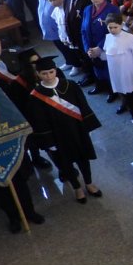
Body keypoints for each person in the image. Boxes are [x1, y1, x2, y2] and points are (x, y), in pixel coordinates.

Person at [28, 56, 102, 204]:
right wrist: (49, 141)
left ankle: (88, 183)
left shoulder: (70, 85)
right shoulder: (36, 95)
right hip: (57, 135)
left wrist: (87, 126)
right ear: (38, 74)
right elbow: (39, 120)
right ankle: (76, 187)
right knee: (65, 163)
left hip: (77, 130)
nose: (48, 76)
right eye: (44, 73)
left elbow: (83, 105)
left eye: (51, 72)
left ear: (56, 70)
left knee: (83, 158)